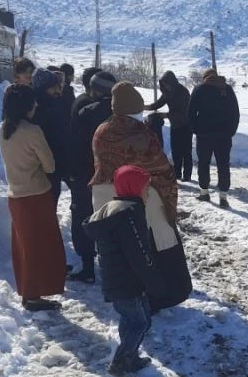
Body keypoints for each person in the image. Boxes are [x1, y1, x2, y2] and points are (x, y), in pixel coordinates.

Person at [83, 165, 167, 377]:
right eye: (145, 188)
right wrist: (154, 282)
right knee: (141, 322)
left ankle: (131, 356)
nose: (147, 192)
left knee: (130, 320)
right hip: (127, 280)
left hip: (117, 279)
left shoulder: (113, 207)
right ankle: (120, 363)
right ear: (134, 188)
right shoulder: (129, 214)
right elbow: (138, 252)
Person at [0, 84, 66, 312]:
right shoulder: (32, 131)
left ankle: (28, 291)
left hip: (15, 194)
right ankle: (35, 295)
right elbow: (50, 165)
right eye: (33, 102)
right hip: (36, 194)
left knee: (24, 247)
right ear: (26, 106)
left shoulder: (3, 128)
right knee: (42, 246)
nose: (36, 105)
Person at [90, 82, 178, 223]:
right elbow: (163, 171)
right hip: (138, 199)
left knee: (110, 242)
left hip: (103, 198)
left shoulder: (101, 129)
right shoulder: (142, 135)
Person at [67, 71, 116, 283]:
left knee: (83, 218)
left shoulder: (85, 112)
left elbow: (76, 145)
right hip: (116, 178)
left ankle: (88, 266)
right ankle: (116, 267)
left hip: (87, 175)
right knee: (114, 219)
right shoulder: (124, 113)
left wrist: (73, 173)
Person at [188, 69, 240, 208]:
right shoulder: (227, 89)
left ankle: (204, 193)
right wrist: (230, 131)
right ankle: (223, 197)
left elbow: (191, 112)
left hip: (204, 135)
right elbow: (235, 112)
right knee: (223, 165)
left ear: (205, 78)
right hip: (224, 136)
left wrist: (196, 130)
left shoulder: (199, 89)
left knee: (203, 164)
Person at [144, 71, 193, 181]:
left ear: (172, 82)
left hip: (186, 124)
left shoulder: (182, 92)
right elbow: (157, 104)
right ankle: (177, 173)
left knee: (186, 150)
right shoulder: (167, 93)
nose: (166, 86)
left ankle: (187, 175)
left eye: (167, 84)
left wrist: (165, 115)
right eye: (164, 84)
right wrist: (144, 107)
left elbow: (184, 112)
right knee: (175, 150)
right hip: (175, 125)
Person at [31, 67, 68, 206]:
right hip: (44, 166)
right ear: (43, 87)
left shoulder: (51, 103)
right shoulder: (37, 108)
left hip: (53, 165)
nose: (56, 91)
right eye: (53, 88)